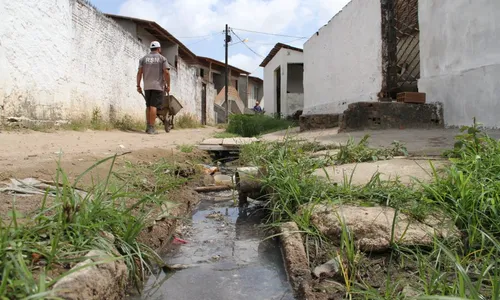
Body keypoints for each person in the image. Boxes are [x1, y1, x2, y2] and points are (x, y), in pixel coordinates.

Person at [136, 41, 170, 134]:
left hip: (147, 86)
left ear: (150, 49)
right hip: (157, 86)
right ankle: (151, 128)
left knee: (148, 106)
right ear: (159, 49)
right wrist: (168, 85)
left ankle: (148, 126)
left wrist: (138, 85)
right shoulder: (162, 59)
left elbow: (139, 72)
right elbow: (166, 72)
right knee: (153, 106)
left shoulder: (143, 59)